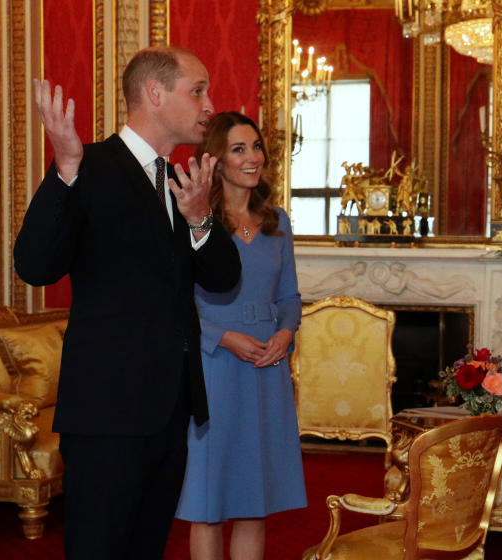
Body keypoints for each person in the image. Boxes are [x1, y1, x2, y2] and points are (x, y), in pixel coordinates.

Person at [14, 47, 242, 559]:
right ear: (155, 94)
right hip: (105, 413)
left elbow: (225, 279)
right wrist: (65, 169)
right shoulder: (87, 165)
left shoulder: (184, 183)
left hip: (170, 411)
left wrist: (201, 218)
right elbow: (33, 265)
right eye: (198, 90)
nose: (210, 104)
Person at [175, 111, 306, 560]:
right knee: (208, 502)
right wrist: (224, 337)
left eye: (256, 147)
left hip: (268, 369)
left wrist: (286, 334)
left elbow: (290, 296)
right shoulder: (194, 222)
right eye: (239, 149)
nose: (253, 158)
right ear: (215, 160)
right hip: (213, 367)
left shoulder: (277, 221)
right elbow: (177, 304)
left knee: (256, 503)